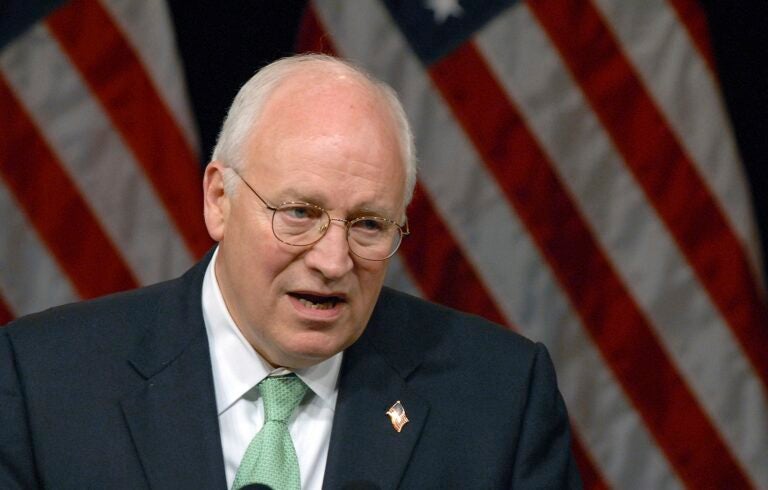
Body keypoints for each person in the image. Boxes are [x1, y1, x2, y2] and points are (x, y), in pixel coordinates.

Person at [0, 54, 581, 489]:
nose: (333, 261)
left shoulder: (499, 400)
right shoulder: (44, 384)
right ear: (219, 200)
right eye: (299, 213)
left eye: (369, 225)